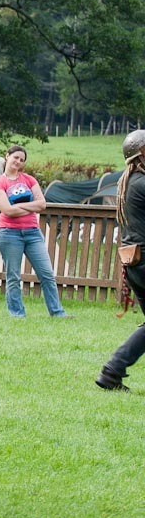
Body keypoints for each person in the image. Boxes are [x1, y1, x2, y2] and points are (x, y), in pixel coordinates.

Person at [0, 145, 69, 318]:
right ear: (7, 156)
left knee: (47, 273)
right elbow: (7, 211)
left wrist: (17, 206)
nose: (18, 162)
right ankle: (17, 314)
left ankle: (57, 312)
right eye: (16, 157)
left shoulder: (29, 180)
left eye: (22, 160)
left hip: (33, 233)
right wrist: (28, 207)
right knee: (13, 276)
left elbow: (41, 204)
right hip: (9, 233)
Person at [96, 130, 145, 391]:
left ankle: (112, 372)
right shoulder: (141, 183)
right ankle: (113, 368)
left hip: (135, 261)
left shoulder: (129, 181)